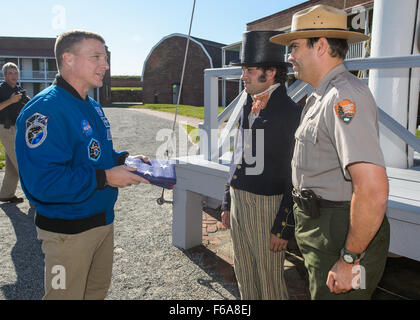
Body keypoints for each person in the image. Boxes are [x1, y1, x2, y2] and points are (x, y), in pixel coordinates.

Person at [15, 30, 149, 300]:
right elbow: (44, 183)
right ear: (69, 59)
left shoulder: (92, 105)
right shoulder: (44, 111)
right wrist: (106, 178)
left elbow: (99, 155)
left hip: (102, 225)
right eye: (96, 57)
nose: (106, 65)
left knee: (95, 294)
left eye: (105, 57)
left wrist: (124, 160)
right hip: (67, 235)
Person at [270, 4, 390, 300]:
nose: (290, 56)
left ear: (321, 46)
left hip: (340, 230)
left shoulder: (344, 96)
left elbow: (372, 189)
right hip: (321, 227)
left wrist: (350, 258)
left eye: (295, 46)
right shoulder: (321, 96)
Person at [220, 30, 302, 300]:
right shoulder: (246, 102)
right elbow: (237, 154)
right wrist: (227, 200)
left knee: (269, 282)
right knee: (244, 272)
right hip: (239, 200)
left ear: (271, 72)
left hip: (267, 206)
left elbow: (296, 176)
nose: (243, 76)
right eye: (244, 69)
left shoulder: (291, 113)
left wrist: (283, 226)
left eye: (250, 70)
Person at [0, 62, 30, 203]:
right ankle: (35, 198)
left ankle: (6, 194)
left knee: (12, 165)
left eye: (15, 73)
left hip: (17, 128)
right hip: (5, 128)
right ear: (4, 75)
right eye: (10, 73)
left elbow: (27, 104)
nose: (13, 76)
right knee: (22, 162)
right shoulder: (1, 89)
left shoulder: (19, 89)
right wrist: (11, 100)